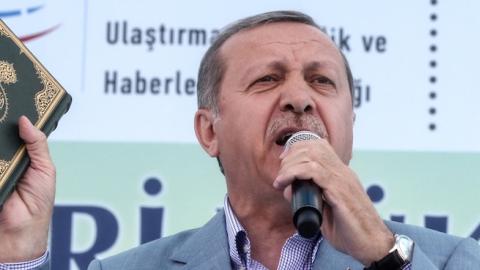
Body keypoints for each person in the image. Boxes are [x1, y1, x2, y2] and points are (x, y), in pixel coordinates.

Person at [1, 10, 479, 270]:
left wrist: (381, 255)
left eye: (322, 81)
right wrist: (20, 250)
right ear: (209, 132)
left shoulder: (455, 259)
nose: (299, 99)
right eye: (267, 80)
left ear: (350, 123)